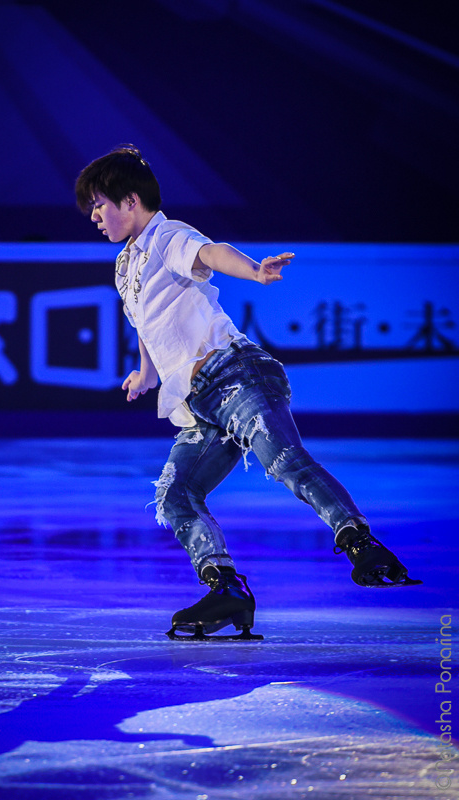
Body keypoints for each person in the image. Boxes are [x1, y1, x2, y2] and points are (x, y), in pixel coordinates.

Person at [75, 145, 421, 641]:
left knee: (283, 460)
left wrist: (254, 270)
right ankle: (226, 588)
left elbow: (211, 253)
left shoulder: (167, 236)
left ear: (130, 200)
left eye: (99, 204)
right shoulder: (124, 264)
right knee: (175, 494)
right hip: (198, 403)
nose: (94, 215)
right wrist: (146, 372)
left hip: (234, 375)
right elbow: (146, 324)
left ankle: (361, 543)